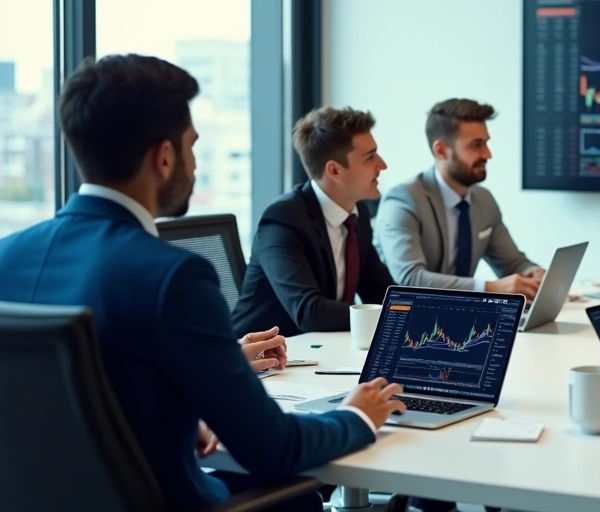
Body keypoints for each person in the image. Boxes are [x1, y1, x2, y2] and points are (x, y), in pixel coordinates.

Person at [0, 55, 405, 512]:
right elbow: (276, 448)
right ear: (164, 157)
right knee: (300, 499)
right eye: (192, 146)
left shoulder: (5, 257)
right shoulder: (173, 276)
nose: (195, 163)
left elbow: (83, 386)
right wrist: (357, 415)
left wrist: (193, 391)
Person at [232, 107, 397, 337]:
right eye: (370, 157)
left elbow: (380, 291)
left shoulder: (356, 213)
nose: (382, 165)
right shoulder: (282, 220)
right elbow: (309, 311)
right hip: (266, 353)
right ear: (334, 170)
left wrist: (413, 310)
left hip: (320, 348)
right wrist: (390, 314)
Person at [375, 98, 543, 299]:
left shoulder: (484, 199)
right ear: (441, 150)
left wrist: (532, 273)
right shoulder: (403, 200)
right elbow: (411, 278)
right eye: (476, 145)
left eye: (486, 143)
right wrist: (490, 288)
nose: (487, 154)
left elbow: (512, 263)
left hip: (461, 314)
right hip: (407, 314)